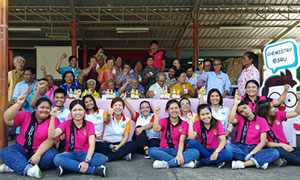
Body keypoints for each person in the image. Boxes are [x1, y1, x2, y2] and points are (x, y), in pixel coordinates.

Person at [0, 97, 60, 178]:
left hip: (42, 152)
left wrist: (38, 154)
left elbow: (51, 140)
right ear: (35, 108)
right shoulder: (26, 115)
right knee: (6, 151)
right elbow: (8, 119)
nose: (45, 110)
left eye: (47, 108)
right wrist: (18, 104)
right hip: (23, 149)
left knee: (53, 156)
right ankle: (28, 169)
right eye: (42, 107)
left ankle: (15, 166)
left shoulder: (54, 120)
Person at [49, 100, 106, 177]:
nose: (77, 113)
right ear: (71, 112)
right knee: (57, 159)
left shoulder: (89, 125)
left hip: (85, 154)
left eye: (80, 110)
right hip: (70, 153)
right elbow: (52, 135)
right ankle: (92, 170)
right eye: (74, 110)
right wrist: (53, 117)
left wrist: (86, 160)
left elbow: (92, 144)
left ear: (84, 111)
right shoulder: (66, 124)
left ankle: (68, 168)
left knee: (101, 158)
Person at [227, 97, 279, 170]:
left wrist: (252, 153)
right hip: (241, 148)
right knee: (227, 146)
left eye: (245, 108)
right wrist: (235, 104)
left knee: (275, 152)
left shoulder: (262, 120)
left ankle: (243, 164)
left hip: (255, 148)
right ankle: (257, 162)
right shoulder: (240, 118)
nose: (245, 111)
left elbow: (263, 142)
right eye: (241, 111)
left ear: (249, 106)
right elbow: (231, 120)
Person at [148, 100, 199, 169]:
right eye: (171, 108)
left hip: (178, 150)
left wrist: (179, 154)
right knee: (152, 151)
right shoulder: (163, 121)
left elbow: (182, 140)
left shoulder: (184, 124)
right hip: (164, 150)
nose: (174, 110)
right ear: (167, 110)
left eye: (176, 108)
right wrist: (156, 115)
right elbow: (156, 129)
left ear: (179, 109)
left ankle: (167, 164)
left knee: (195, 152)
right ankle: (182, 163)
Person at [256, 97, 300, 166]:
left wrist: (299, 101)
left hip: (285, 146)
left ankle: (280, 159)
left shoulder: (278, 115)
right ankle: (279, 158)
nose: (274, 109)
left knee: (295, 151)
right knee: (280, 151)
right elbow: (265, 143)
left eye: (273, 107)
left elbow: (296, 112)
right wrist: (281, 145)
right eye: (271, 108)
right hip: (274, 149)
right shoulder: (259, 123)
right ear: (264, 110)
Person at [188, 104, 233, 168]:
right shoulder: (197, 123)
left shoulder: (217, 122)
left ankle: (203, 162)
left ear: (211, 113)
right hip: (202, 150)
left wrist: (216, 152)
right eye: (202, 115)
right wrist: (190, 120)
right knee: (191, 142)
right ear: (199, 116)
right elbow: (191, 137)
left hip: (214, 149)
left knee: (229, 154)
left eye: (207, 113)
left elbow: (223, 140)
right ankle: (215, 161)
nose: (206, 117)